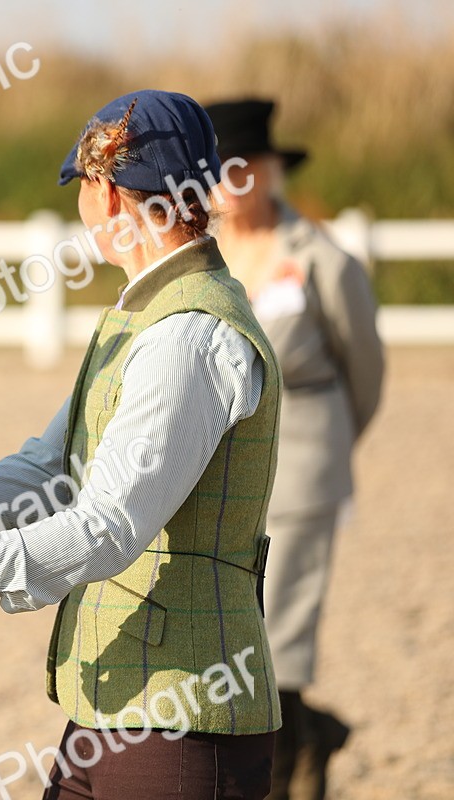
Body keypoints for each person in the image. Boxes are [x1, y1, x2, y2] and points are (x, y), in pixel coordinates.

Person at [0, 89, 284, 799]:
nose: (82, 207)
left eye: (84, 187)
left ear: (112, 195)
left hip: (183, 724)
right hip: (113, 712)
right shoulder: (141, 321)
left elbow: (107, 527)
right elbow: (47, 468)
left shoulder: (189, 338)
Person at [205, 98, 385, 800]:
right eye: (222, 169)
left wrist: (328, 448)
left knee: (279, 631)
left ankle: (279, 776)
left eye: (248, 167)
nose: (234, 182)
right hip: (221, 469)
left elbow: (363, 367)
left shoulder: (322, 259)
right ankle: (315, 735)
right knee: (236, 629)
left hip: (304, 458)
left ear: (273, 170)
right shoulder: (206, 256)